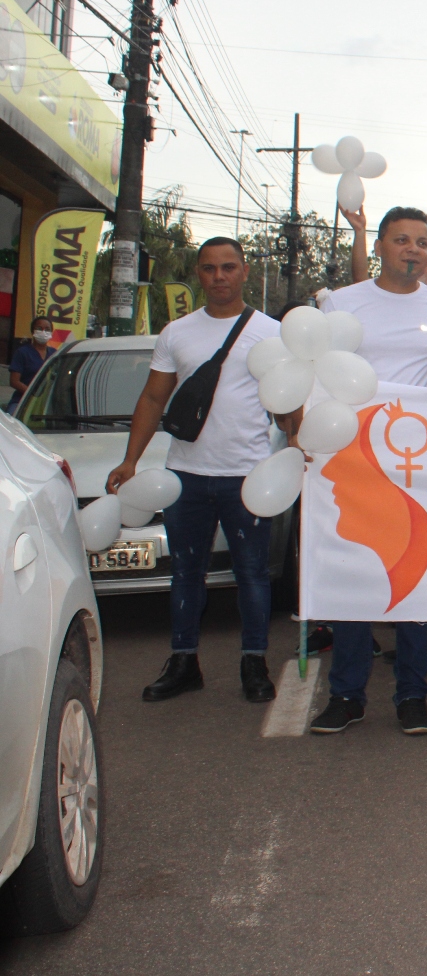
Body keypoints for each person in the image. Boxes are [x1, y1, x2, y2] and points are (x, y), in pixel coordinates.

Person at [310, 207, 427, 737]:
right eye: (402, 240)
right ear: (379, 245)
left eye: (422, 242)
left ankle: (412, 694)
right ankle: (346, 695)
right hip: (349, 459)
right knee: (355, 574)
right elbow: (315, 372)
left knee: (414, 575)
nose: (413, 249)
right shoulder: (342, 303)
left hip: (415, 463)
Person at [107, 238, 294, 705]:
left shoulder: (271, 333)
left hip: (248, 476)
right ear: (198, 272)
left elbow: (287, 403)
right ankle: (183, 661)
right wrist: (131, 459)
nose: (219, 277)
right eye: (209, 269)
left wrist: (299, 445)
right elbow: (153, 398)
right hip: (185, 475)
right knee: (186, 572)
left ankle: (254, 661)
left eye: (228, 267)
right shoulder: (177, 333)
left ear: (245, 271)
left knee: (251, 572)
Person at [9, 316, 56, 411]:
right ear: (32, 331)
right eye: (39, 328)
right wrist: (32, 394)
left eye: (47, 329)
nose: (43, 332)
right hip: (22, 400)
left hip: (47, 402)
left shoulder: (54, 353)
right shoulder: (22, 352)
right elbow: (14, 381)